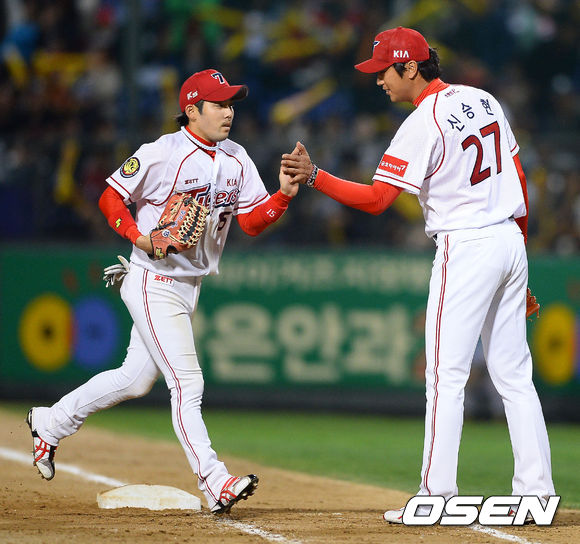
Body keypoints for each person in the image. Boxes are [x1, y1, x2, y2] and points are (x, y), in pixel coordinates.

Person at [281, 27, 555, 523]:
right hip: (508, 240)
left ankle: (437, 494)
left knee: (444, 377)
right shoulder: (482, 99)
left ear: (410, 66)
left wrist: (315, 176)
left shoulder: (423, 121)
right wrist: (517, 259)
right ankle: (537, 493)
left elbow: (377, 200)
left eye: (384, 70)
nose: (378, 80)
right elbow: (517, 178)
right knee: (515, 377)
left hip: (467, 245)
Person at [27, 68, 299, 514]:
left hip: (188, 285)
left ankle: (49, 422)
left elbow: (251, 221)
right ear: (191, 110)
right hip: (153, 280)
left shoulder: (236, 157)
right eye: (219, 104)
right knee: (187, 381)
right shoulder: (161, 153)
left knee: (134, 380)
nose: (229, 112)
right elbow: (110, 197)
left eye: (231, 103)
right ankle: (215, 481)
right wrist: (139, 237)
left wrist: (283, 196)